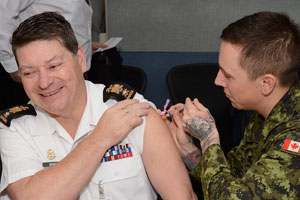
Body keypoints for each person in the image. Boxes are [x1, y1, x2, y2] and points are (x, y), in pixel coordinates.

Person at [0, 12, 196, 200]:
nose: (43, 82)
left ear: (81, 59)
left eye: (54, 66)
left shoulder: (130, 109)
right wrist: (100, 138)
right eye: (29, 73)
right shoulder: (16, 128)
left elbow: (182, 196)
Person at [163, 11, 300, 199]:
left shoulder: (295, 135)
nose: (217, 81)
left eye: (228, 75)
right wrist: (189, 151)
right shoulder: (264, 114)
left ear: (266, 84)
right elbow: (235, 175)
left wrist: (208, 137)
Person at [0, 0, 106, 110]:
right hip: (40, 79)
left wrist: (87, 46)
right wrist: (13, 64)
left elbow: (73, 20)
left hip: (74, 74)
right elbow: (2, 15)